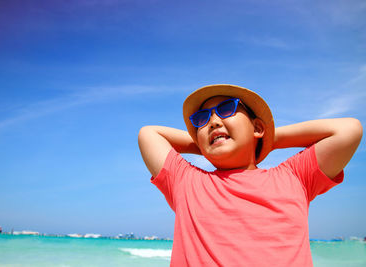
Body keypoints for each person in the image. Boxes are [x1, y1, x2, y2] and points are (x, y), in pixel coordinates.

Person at [138, 84, 363, 266]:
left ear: (257, 127)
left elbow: (348, 130)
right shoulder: (187, 182)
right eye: (202, 119)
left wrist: (269, 139)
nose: (213, 121)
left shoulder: (294, 176)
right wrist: (208, 142)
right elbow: (149, 134)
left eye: (227, 108)